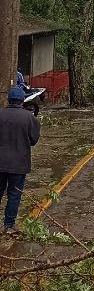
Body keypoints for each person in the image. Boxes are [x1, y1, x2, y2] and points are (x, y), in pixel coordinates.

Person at [0, 84, 41, 234]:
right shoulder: (30, 118)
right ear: (22, 101)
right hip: (18, 164)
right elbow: (33, 140)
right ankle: (9, 226)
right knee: (14, 194)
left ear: (8, 100)